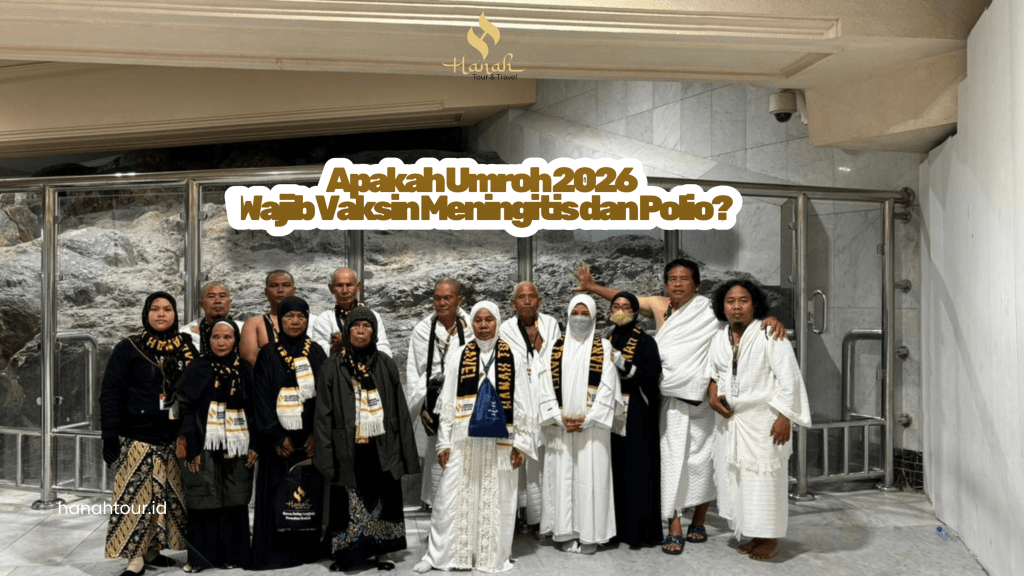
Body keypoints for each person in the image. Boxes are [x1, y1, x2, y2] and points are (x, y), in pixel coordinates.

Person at [572, 259, 785, 554]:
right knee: (672, 461)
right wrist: (592, 287)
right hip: (668, 396)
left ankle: (698, 521)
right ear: (666, 284)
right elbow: (625, 299)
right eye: (672, 278)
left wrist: (770, 319)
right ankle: (674, 525)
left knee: (703, 461)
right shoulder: (661, 306)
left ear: (696, 285)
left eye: (684, 279)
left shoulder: (709, 309)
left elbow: (740, 314)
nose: (678, 283)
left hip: (704, 398)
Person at [414, 301, 537, 573]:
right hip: (463, 439)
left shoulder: (513, 356)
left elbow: (524, 402)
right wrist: (443, 442)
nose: (483, 325)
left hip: (500, 441)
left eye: (488, 320)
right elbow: (447, 402)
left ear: (497, 322)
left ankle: (488, 557)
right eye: (478, 320)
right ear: (472, 324)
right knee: (450, 497)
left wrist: (522, 444)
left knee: (497, 499)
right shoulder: (460, 355)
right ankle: (439, 556)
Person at [708, 279, 811, 561]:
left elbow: (789, 379)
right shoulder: (719, 338)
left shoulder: (770, 334)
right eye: (730, 301)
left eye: (743, 301)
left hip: (764, 421)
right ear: (723, 307)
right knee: (741, 482)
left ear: (754, 305)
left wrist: (785, 417)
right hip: (730, 423)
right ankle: (754, 533)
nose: (737, 307)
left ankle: (770, 537)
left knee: (766, 481)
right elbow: (714, 373)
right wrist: (713, 395)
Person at [315, 306, 420, 571]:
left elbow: (399, 409)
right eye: (355, 326)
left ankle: (383, 551)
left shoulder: (385, 363)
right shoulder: (332, 366)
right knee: (346, 499)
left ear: (373, 332)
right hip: (347, 445)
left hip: (382, 443)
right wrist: (324, 455)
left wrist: (406, 452)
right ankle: (347, 553)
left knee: (384, 496)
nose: (361, 331)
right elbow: (323, 414)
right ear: (346, 331)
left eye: (366, 326)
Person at [100, 291, 196, 576]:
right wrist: (109, 435)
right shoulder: (129, 347)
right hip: (137, 438)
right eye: (155, 309)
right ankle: (135, 559)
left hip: (173, 439)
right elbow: (111, 393)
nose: (161, 314)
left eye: (167, 309)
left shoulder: (186, 347)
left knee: (164, 500)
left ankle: (153, 550)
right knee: (135, 501)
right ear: (146, 313)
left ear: (175, 314)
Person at [535, 294, 621, 555]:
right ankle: (565, 532)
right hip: (560, 427)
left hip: (592, 428)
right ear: (568, 315)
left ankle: (591, 534)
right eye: (575, 313)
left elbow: (609, 387)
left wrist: (590, 418)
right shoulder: (553, 347)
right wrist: (557, 416)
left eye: (585, 314)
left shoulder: (604, 348)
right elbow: (543, 384)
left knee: (592, 479)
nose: (579, 318)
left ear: (593, 317)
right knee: (561, 478)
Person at [250, 296, 329, 569]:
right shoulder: (268, 353)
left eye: (301, 316)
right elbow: (260, 398)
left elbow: (324, 398)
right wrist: (275, 435)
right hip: (277, 442)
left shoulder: (316, 352)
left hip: (307, 441)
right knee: (276, 494)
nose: (295, 322)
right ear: (279, 321)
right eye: (289, 317)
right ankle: (276, 553)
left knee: (306, 496)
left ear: (307, 320)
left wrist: (315, 434)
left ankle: (305, 551)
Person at [175, 320, 258, 573]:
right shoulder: (198, 368)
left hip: (237, 444)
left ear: (236, 340)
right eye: (215, 337)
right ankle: (201, 558)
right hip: (204, 444)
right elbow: (185, 408)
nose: (221, 342)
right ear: (207, 340)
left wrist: (255, 444)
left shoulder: (244, 369)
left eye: (227, 337)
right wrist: (192, 446)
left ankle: (234, 555)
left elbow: (255, 409)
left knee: (235, 497)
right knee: (204, 499)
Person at [497, 281, 561, 536]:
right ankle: (512, 517)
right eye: (521, 297)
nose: (526, 300)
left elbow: (555, 357)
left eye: (531, 296)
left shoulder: (550, 324)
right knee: (516, 454)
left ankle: (539, 519)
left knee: (541, 460)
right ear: (513, 303)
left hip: (545, 396)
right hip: (518, 397)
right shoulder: (506, 328)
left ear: (539, 301)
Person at [405, 279, 470, 509]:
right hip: (432, 405)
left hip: (464, 404)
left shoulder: (471, 328)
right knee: (436, 458)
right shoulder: (422, 330)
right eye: (437, 298)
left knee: (463, 458)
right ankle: (436, 510)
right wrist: (422, 408)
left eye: (447, 298)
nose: (441, 303)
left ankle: (462, 510)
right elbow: (414, 372)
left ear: (459, 300)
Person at [606, 292, 664, 549]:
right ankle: (615, 529)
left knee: (638, 471)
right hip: (611, 414)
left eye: (626, 307)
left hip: (638, 413)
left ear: (635, 312)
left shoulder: (646, 341)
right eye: (616, 306)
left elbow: (652, 375)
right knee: (615, 470)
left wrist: (625, 365)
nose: (620, 310)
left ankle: (639, 532)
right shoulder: (606, 338)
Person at [310, 267, 392, 357]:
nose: (344, 291)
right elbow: (318, 353)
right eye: (339, 285)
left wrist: (358, 343)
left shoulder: (373, 316)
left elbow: (385, 351)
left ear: (358, 287)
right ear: (331, 288)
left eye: (349, 285)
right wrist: (335, 347)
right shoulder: (324, 319)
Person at [240, 270, 296, 365]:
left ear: (294, 290)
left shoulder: (309, 321)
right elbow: (249, 361)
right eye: (274, 286)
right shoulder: (254, 324)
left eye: (286, 285)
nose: (280, 290)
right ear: (266, 292)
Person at [180, 281, 243, 356]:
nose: (217, 301)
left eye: (222, 296)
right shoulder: (186, 333)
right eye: (211, 297)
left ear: (229, 303)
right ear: (201, 304)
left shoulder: (243, 330)